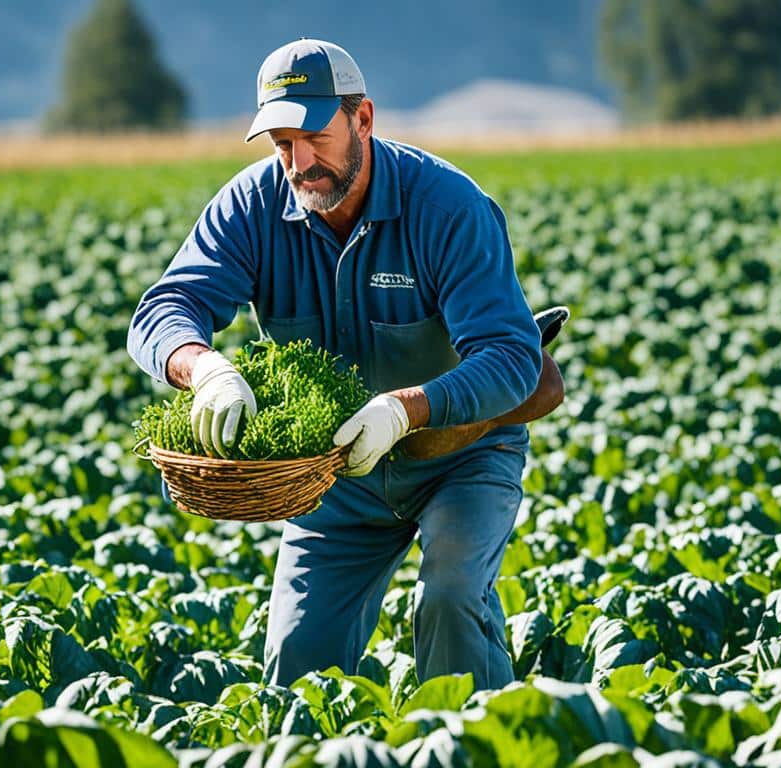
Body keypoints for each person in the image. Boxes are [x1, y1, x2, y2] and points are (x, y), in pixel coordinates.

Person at [127, 38, 564, 690]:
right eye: (280, 143)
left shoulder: (449, 209)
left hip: (462, 459)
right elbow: (166, 308)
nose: (299, 163)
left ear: (363, 118)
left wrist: (404, 408)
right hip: (335, 478)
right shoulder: (251, 206)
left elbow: (510, 359)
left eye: (313, 135)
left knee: (448, 598)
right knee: (298, 665)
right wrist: (202, 368)